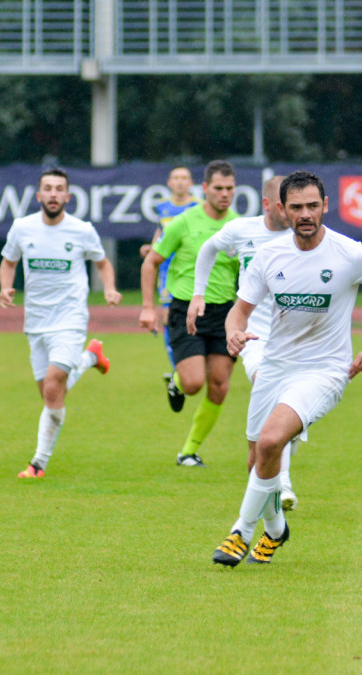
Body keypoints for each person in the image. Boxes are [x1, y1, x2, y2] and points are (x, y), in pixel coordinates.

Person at [211, 170, 362, 567]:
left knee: (270, 443)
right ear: (282, 209)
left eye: (312, 206)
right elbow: (240, 312)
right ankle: (276, 530)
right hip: (275, 365)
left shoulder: (351, 254)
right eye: (297, 207)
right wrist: (234, 333)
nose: (305, 214)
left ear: (325, 207)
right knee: (256, 461)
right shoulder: (269, 256)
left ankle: (240, 533)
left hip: (325, 370)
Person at [187, 175, 304, 510]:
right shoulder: (242, 230)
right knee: (272, 388)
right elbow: (208, 249)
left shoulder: (306, 239)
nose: (295, 213)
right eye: (288, 206)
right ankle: (282, 484)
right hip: (253, 334)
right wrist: (198, 294)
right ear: (269, 204)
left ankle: (276, 470)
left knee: (291, 412)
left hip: (294, 337)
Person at [0, 168, 122, 479]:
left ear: (67, 197)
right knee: (51, 395)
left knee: (54, 386)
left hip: (70, 318)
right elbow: (8, 262)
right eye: (48, 189)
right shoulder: (22, 227)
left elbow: (102, 262)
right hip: (36, 320)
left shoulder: (81, 230)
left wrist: (108, 287)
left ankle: (38, 463)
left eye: (59, 189)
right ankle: (91, 357)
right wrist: (5, 287)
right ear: (39, 196)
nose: (53, 194)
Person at [139, 160, 240, 467]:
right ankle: (178, 383)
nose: (225, 194)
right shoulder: (183, 222)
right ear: (205, 189)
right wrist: (148, 307)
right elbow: (151, 262)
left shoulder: (239, 227)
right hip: (187, 309)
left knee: (220, 384)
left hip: (225, 312)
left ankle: (188, 451)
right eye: (219, 188)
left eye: (230, 188)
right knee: (195, 383)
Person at [140, 166, 199, 376]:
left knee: (194, 314)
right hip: (166, 271)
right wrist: (151, 248)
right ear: (169, 183)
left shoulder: (197, 208)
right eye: (176, 178)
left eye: (184, 178)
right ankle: (177, 369)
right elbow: (161, 234)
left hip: (189, 269)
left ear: (191, 183)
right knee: (168, 315)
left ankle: (194, 361)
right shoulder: (163, 208)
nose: (180, 181)